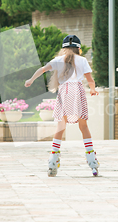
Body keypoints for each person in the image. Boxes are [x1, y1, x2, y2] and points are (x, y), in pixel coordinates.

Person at [25, 35, 100, 177]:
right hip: (77, 91)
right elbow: (90, 79)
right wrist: (92, 89)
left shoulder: (58, 60)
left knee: (60, 127)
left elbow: (42, 70)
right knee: (83, 126)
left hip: (64, 92)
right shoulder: (83, 60)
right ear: (79, 49)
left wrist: (31, 80)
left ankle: (53, 160)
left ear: (63, 49)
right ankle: (92, 161)